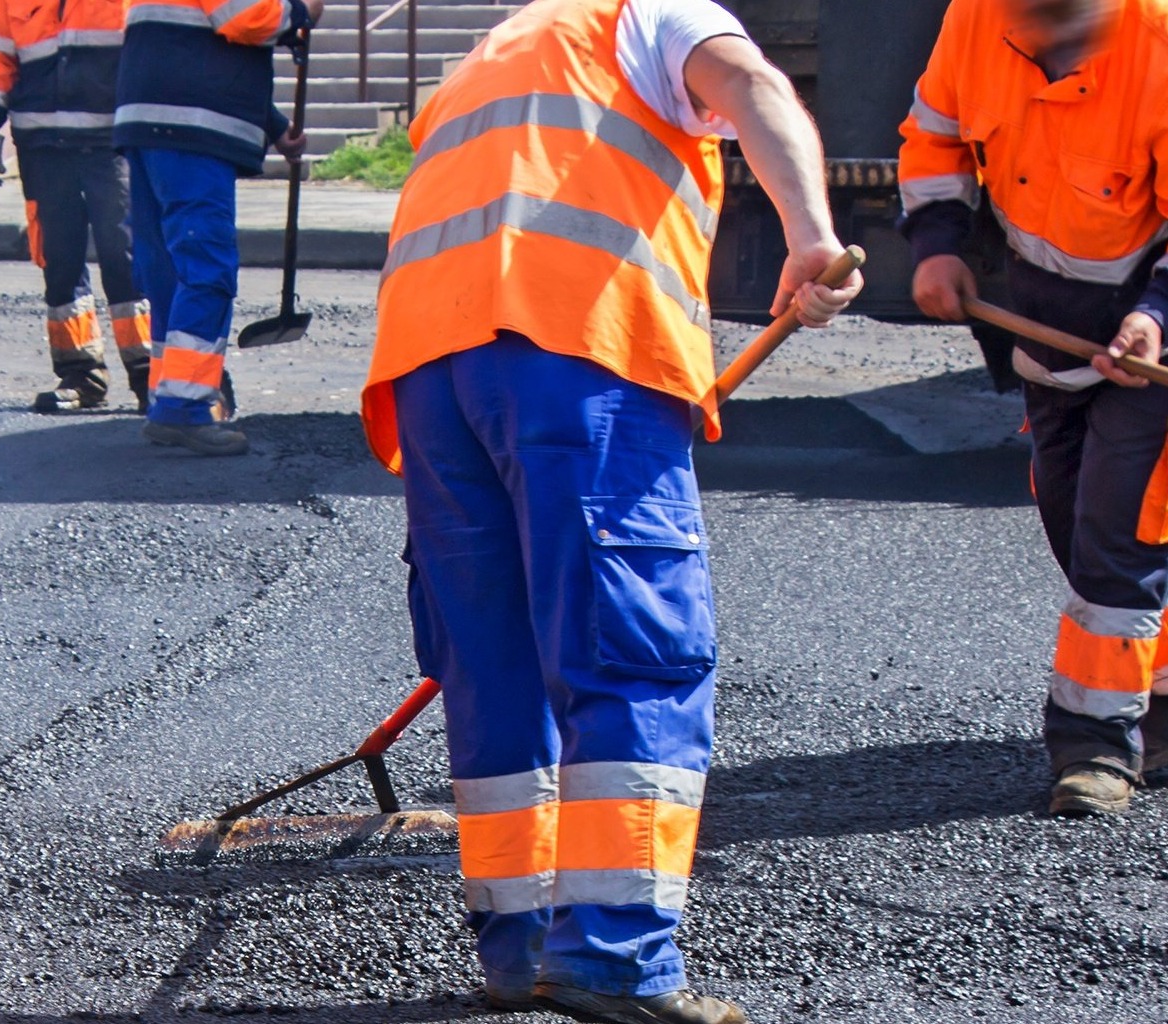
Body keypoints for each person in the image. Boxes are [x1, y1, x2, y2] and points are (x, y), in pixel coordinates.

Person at [360, 1, 862, 1021]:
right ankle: (615, 955)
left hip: (432, 371)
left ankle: (521, 943)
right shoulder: (656, 15)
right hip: (575, 350)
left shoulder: (494, 52)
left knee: (493, 661)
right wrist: (811, 234)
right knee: (633, 649)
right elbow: (755, 88)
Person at [902, 0, 1168, 817]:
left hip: (1145, 344)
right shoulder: (976, 19)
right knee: (1065, 511)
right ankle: (1155, 703)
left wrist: (1154, 318)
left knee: (1115, 536)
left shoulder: (1158, 46)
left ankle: (1096, 749)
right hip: (1048, 332)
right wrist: (939, 244)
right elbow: (935, 137)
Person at [116, 0, 321, 455]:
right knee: (206, 268)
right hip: (189, 128)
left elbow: (191, 47)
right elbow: (246, 16)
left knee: (169, 270)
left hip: (150, 120)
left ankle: (169, 400)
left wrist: (272, 125)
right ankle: (184, 409)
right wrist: (302, 12)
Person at [0, 0, 153, 413]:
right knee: (60, 258)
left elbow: (152, 49)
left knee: (126, 254)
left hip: (113, 144)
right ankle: (80, 374)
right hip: (43, 147)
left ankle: (148, 372)